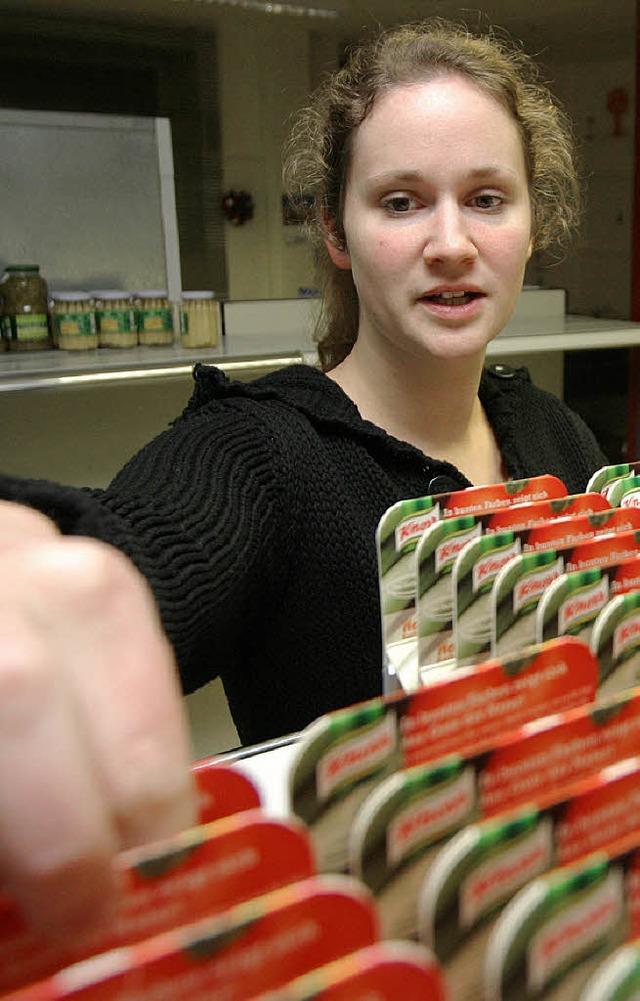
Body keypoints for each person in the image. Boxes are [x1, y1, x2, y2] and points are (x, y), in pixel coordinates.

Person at [0, 18, 608, 945]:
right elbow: (127, 550)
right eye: (401, 202)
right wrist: (34, 564)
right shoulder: (260, 453)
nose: (451, 241)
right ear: (334, 228)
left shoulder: (554, 433)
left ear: (534, 224)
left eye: (487, 198)